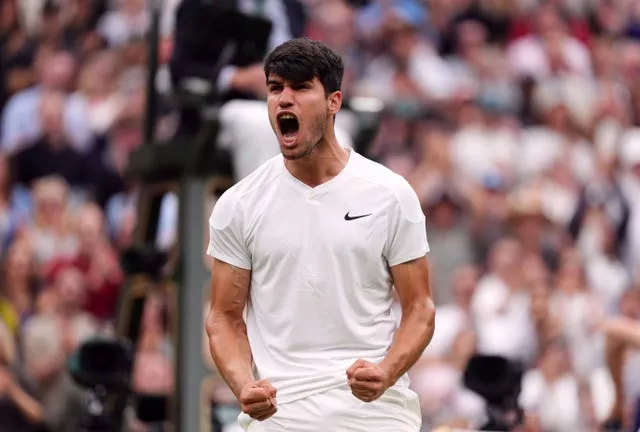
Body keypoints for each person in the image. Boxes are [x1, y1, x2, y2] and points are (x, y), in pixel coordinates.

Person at [205, 38, 436, 431]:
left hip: (375, 415)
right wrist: (244, 385)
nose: (284, 99)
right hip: (280, 415)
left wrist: (386, 372)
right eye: (276, 88)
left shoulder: (390, 194)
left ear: (334, 102)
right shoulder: (238, 205)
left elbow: (420, 309)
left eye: (300, 87)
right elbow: (224, 318)